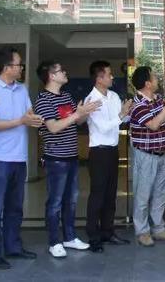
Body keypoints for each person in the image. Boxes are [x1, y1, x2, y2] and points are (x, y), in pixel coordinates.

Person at [0, 47, 43, 269]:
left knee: (15, 207)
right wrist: (21, 121)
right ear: (7, 67)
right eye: (18, 65)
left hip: (18, 157)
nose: (22, 68)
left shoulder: (21, 89)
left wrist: (37, 119)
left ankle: (13, 247)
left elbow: (29, 115)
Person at [34, 60, 100, 258]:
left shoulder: (66, 96)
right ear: (51, 76)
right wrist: (76, 114)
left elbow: (76, 121)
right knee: (55, 201)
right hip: (55, 158)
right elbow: (53, 127)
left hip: (72, 156)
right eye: (60, 70)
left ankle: (70, 237)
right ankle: (54, 241)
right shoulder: (43, 99)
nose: (65, 72)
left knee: (71, 200)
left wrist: (84, 112)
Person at [129, 66, 165, 247]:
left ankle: (159, 229)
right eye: (154, 77)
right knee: (143, 195)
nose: (157, 79)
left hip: (161, 155)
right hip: (145, 157)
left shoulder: (158, 99)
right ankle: (142, 232)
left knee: (160, 194)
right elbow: (153, 125)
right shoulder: (137, 105)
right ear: (147, 83)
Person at [84, 61, 133, 253]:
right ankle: (93, 236)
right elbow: (104, 127)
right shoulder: (91, 100)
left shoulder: (113, 96)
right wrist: (121, 115)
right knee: (98, 195)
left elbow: (120, 121)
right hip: (98, 152)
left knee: (111, 194)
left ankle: (108, 232)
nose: (112, 77)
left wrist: (127, 112)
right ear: (99, 78)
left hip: (113, 150)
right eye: (109, 74)